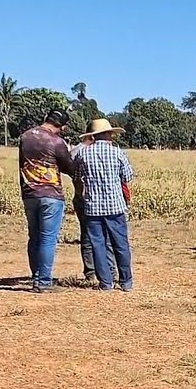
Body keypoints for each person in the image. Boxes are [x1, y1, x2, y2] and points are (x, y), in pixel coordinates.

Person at [71, 118, 135, 291]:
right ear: (108, 135)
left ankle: (105, 282)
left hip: (93, 206)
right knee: (120, 244)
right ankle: (126, 281)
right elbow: (127, 176)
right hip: (115, 206)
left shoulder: (83, 154)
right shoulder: (117, 152)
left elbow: (77, 177)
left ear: (93, 136)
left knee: (97, 245)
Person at [18, 108, 75, 293]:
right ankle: (43, 282)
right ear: (62, 127)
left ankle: (36, 276)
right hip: (51, 194)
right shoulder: (56, 141)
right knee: (48, 239)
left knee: (34, 237)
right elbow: (69, 167)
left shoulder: (26, 136)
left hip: (29, 193)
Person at [68, 140, 116, 283]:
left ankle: (91, 272)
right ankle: (109, 272)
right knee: (105, 236)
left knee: (87, 235)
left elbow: (74, 176)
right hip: (101, 199)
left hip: (83, 198)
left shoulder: (76, 151)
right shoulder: (101, 151)